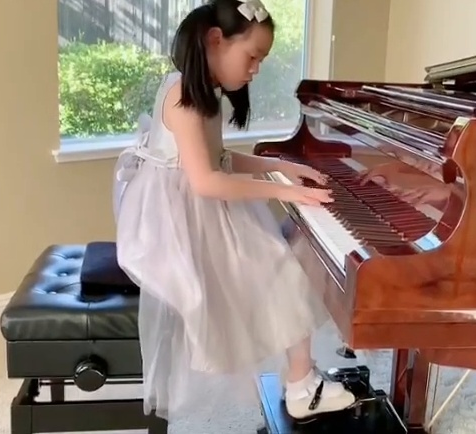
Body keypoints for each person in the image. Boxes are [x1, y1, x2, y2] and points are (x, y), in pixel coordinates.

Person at [111, 0, 356, 427]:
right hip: (178, 226)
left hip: (194, 208)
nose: (255, 70)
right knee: (280, 267)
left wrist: (280, 167)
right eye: (252, 56)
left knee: (283, 261)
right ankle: (302, 386)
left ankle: (302, 377)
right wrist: (286, 193)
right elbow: (207, 181)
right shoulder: (185, 98)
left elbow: (220, 158)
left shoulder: (197, 89)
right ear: (215, 40)